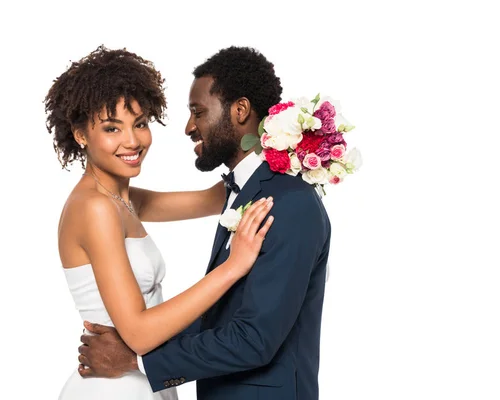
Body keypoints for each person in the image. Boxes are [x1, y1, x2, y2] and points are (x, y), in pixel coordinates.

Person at [78, 46, 331, 400]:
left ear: (240, 111)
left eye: (198, 112)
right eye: (111, 127)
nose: (188, 127)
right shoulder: (242, 191)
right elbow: (221, 317)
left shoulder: (289, 202)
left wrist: (138, 360)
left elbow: (254, 340)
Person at [44, 45, 275, 400]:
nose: (132, 141)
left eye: (139, 124)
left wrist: (286, 141)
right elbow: (137, 333)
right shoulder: (94, 208)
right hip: (114, 386)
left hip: (140, 378)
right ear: (80, 134)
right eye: (111, 128)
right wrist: (232, 268)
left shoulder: (123, 199)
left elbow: (216, 197)